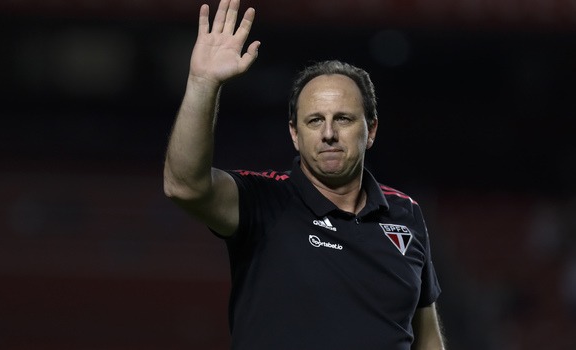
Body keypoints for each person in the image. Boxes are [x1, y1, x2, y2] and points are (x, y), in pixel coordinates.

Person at [163, 0, 446, 348]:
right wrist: (203, 83)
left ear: (370, 130)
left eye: (343, 118)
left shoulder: (406, 213)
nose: (328, 133)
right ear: (295, 135)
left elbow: (428, 338)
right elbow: (184, 186)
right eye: (314, 121)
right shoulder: (263, 200)